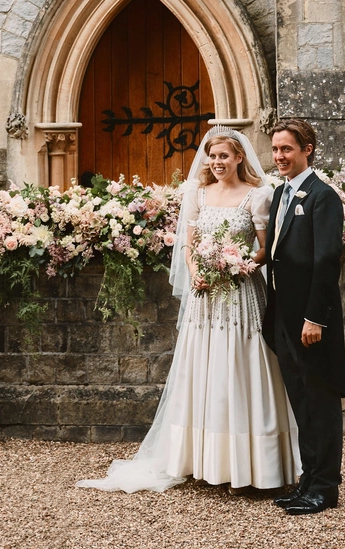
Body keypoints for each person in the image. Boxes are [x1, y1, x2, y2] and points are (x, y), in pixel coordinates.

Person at [76, 126, 299, 493]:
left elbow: (265, 248)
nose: (217, 162)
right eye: (213, 156)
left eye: (224, 156)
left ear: (239, 157)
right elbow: (188, 245)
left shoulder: (258, 195)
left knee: (242, 368)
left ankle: (252, 466)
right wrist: (196, 272)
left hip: (241, 293)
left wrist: (238, 265)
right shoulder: (197, 193)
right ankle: (203, 461)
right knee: (205, 370)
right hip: (204, 297)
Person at [264, 119, 345, 515]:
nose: (279, 156)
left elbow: (327, 260)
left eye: (287, 149)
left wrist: (315, 318)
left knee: (321, 402)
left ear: (307, 149)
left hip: (312, 322)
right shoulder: (281, 193)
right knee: (301, 402)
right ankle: (308, 481)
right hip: (284, 316)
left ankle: (325, 488)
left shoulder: (322, 196)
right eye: (275, 149)